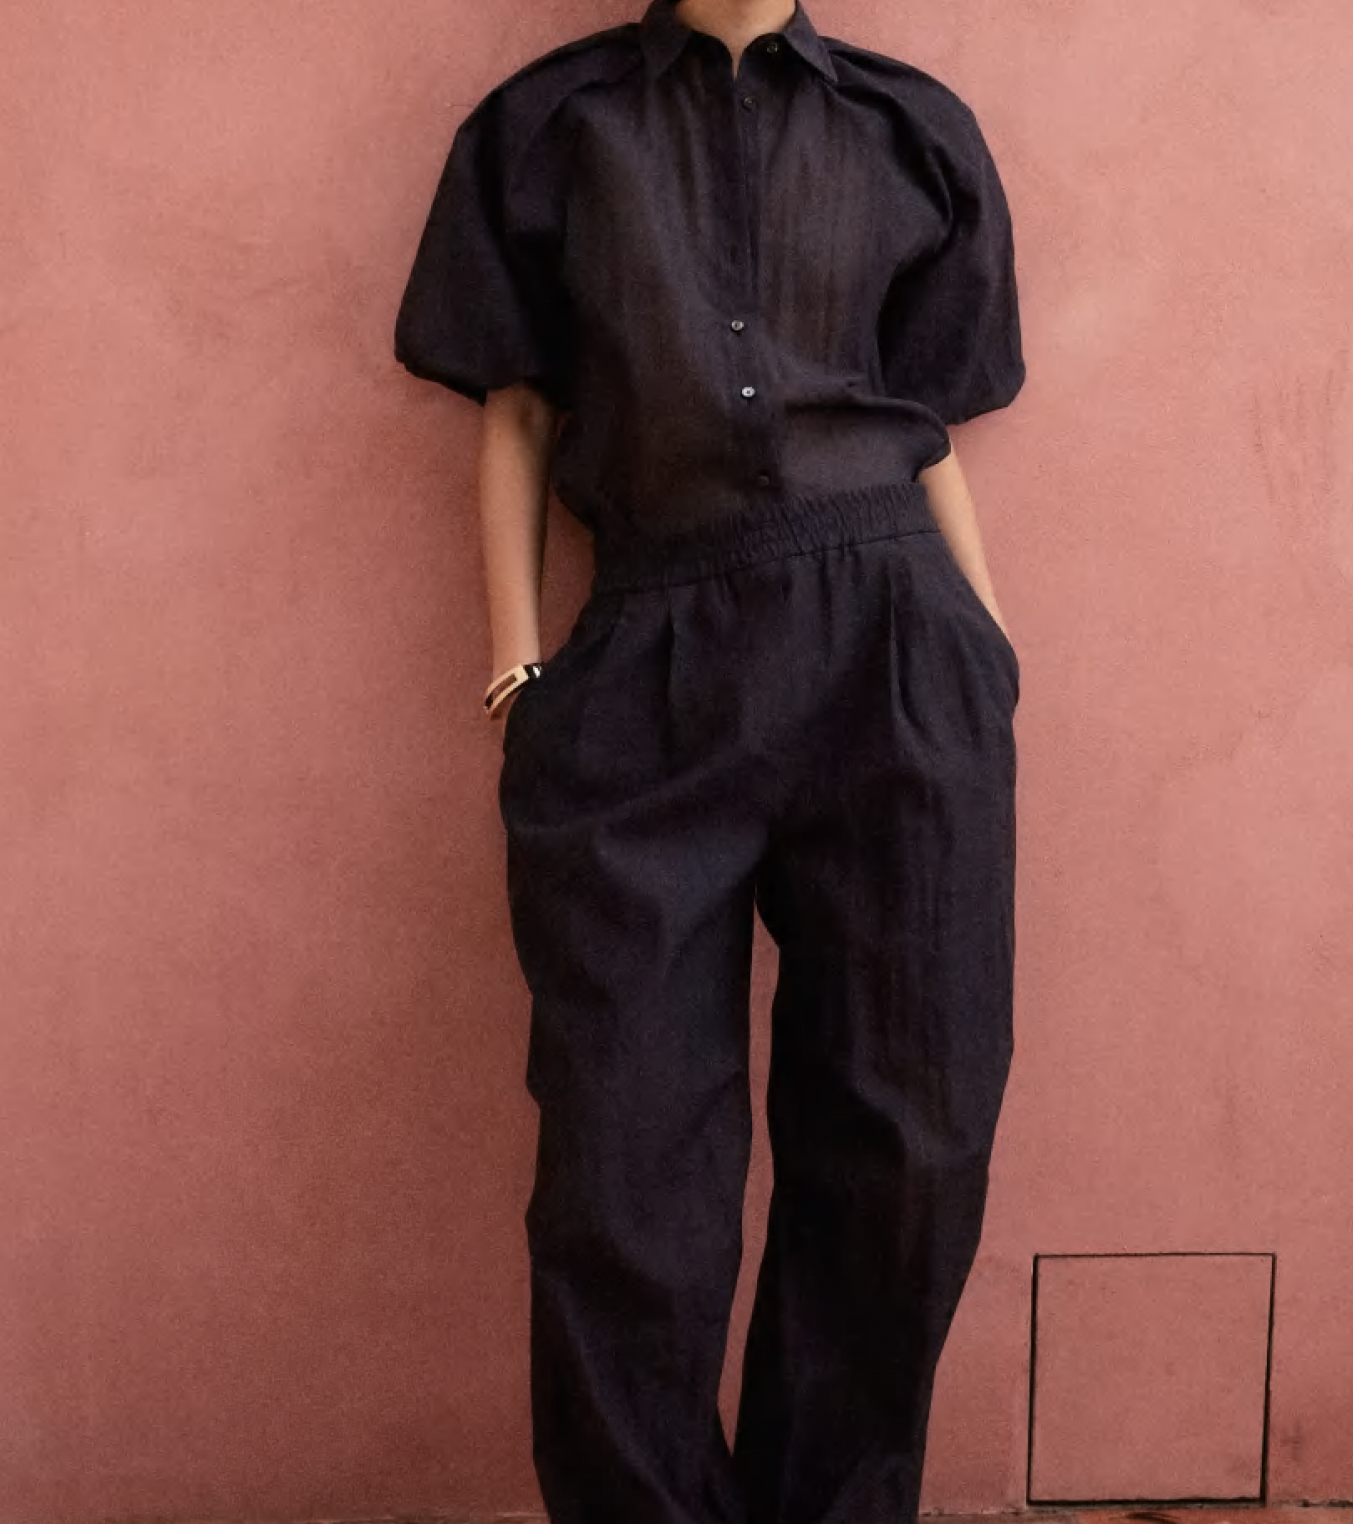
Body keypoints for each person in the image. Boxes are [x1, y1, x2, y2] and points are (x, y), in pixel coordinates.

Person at [393, 0, 1026, 1519]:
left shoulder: (909, 130)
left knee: (906, 1141)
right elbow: (522, 411)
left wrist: (986, 648)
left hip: (893, 644)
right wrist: (519, 665)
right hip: (647, 656)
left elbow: (923, 425)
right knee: (624, 1171)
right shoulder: (547, 127)